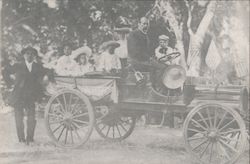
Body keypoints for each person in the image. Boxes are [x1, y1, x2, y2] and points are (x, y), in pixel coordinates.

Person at [8, 46, 47, 145]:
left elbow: (46, 74)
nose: (29, 55)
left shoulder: (38, 66)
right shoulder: (18, 65)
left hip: (31, 96)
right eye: (27, 53)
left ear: (34, 56)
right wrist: (11, 83)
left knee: (31, 118)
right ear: (24, 55)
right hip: (19, 95)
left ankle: (30, 138)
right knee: (18, 118)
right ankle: (21, 138)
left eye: (31, 54)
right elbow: (5, 72)